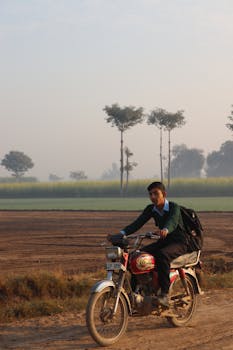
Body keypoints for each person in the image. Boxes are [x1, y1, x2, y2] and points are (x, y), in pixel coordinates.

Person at [119, 181, 189, 307]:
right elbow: (137, 223)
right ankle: (136, 292)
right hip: (164, 241)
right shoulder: (151, 209)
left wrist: (165, 230)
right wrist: (121, 233)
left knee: (162, 255)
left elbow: (172, 222)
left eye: (156, 194)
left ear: (164, 194)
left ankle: (165, 294)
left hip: (179, 242)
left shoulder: (174, 207)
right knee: (136, 256)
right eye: (150, 194)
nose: (152, 197)